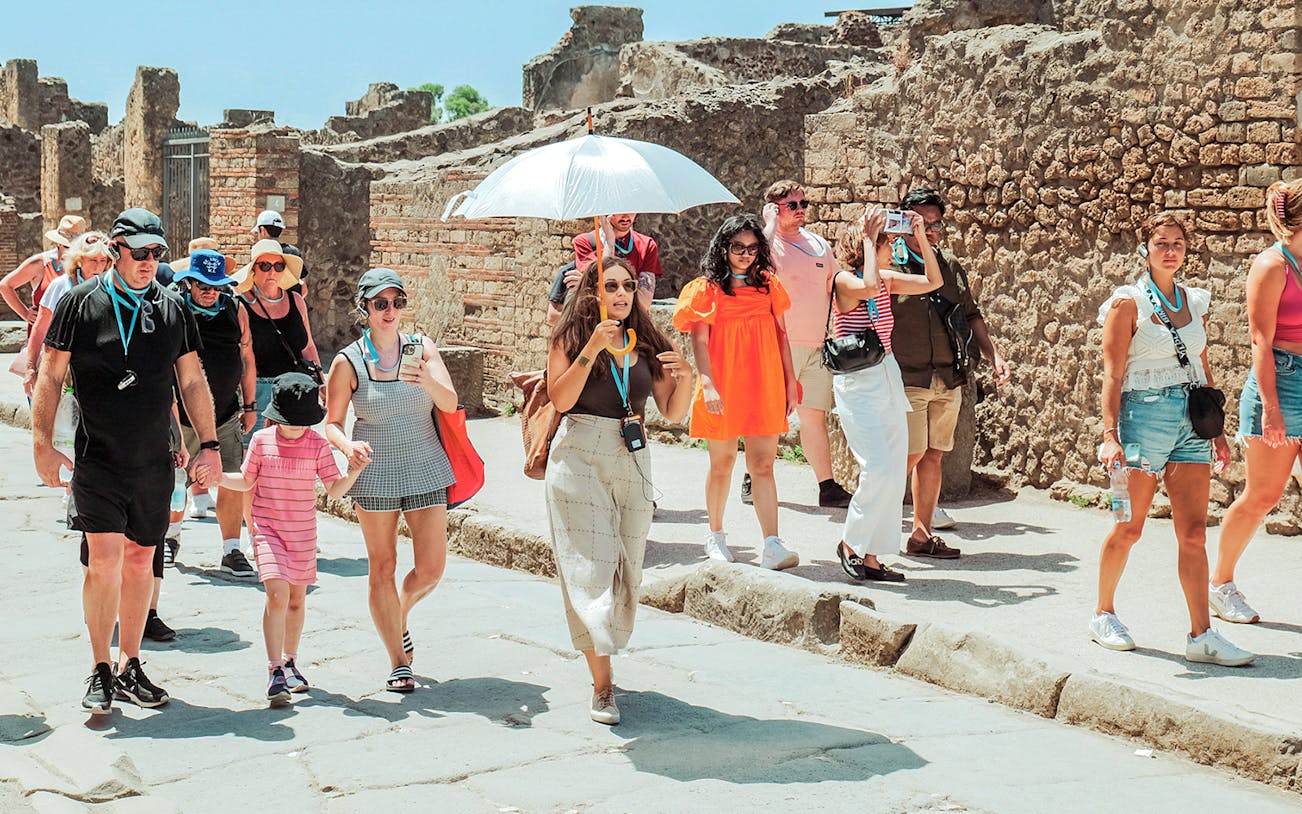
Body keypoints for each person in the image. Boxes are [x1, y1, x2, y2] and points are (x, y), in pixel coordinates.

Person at [31, 207, 222, 715]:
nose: (148, 262)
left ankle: (130, 663)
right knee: (104, 562)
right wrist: (42, 444)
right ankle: (99, 666)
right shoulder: (78, 303)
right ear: (116, 250)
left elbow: (192, 379)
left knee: (142, 561)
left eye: (156, 253)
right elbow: (50, 376)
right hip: (99, 458)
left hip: (155, 461)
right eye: (139, 253)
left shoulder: (172, 306)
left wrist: (209, 443)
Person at [1091, 212, 1252, 667]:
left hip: (1189, 423)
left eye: (1178, 242)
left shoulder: (1195, 301)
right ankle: (1103, 613)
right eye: (1161, 242)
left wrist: (1216, 431)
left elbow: (1202, 367)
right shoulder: (1128, 303)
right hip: (1140, 421)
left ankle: (1202, 634)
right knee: (1127, 524)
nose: (1170, 249)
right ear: (1145, 249)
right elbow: (1112, 373)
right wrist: (1110, 436)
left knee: (1195, 534)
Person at [546, 256, 690, 724]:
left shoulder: (647, 341)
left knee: (627, 567)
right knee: (589, 567)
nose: (623, 293)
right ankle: (602, 686)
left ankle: (607, 647)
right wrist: (592, 346)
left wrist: (687, 378)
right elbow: (561, 399)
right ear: (592, 293)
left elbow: (672, 411)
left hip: (632, 457)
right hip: (579, 453)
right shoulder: (569, 339)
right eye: (610, 286)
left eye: (628, 285)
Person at [324, 268, 458, 693]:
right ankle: (399, 661)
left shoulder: (422, 348)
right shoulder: (348, 361)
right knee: (382, 566)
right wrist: (347, 449)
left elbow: (451, 402)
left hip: (424, 464)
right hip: (374, 470)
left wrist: (428, 379)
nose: (390, 311)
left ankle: (397, 615)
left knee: (432, 569)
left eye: (397, 302)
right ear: (364, 308)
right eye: (380, 303)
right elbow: (331, 423)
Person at [206, 373, 366, 705]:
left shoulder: (318, 445)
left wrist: (354, 471)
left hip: (302, 533)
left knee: (296, 600)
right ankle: (274, 667)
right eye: (288, 422)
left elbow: (335, 489)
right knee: (277, 595)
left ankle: (291, 661)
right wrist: (219, 477)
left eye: (301, 423)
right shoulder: (263, 441)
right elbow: (247, 481)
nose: (294, 428)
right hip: (267, 530)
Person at [674, 213, 800, 570]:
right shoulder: (706, 288)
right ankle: (714, 535)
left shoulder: (769, 285)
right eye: (737, 247)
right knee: (722, 463)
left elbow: (782, 337)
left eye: (752, 247)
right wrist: (708, 383)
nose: (745, 254)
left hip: (765, 380)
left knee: (762, 464)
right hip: (724, 383)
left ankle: (772, 544)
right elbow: (700, 340)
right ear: (723, 248)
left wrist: (791, 383)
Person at [891, 187, 1011, 557]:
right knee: (905, 458)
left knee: (933, 454)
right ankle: (867, 537)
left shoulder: (950, 265)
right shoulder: (888, 265)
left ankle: (921, 536)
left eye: (935, 224)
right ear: (902, 225)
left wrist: (993, 354)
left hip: (948, 375)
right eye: (920, 223)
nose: (930, 230)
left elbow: (970, 314)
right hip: (906, 376)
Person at [831, 208, 943, 583]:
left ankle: (873, 555)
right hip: (858, 381)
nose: (893, 246)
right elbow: (865, 288)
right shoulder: (845, 281)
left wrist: (920, 235)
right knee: (877, 468)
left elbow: (931, 280)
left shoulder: (887, 281)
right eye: (888, 242)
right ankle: (850, 544)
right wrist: (866, 236)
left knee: (894, 469)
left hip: (887, 374)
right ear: (867, 246)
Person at [1209, 180, 1302, 623]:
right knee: (1262, 496)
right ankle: (1220, 584)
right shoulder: (1272, 266)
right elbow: (1260, 340)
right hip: (1279, 384)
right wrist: (1271, 409)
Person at [758, 181, 854, 509]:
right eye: (791, 205)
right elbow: (756, 264)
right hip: (777, 344)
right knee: (770, 419)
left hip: (815, 344)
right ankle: (753, 475)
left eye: (803, 204)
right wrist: (768, 225)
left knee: (814, 417)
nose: (800, 211)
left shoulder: (818, 245)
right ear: (773, 209)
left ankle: (827, 487)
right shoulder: (766, 243)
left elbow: (837, 287)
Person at [171, 250, 258, 575]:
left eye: (216, 286)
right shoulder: (175, 310)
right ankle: (170, 537)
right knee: (175, 480)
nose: (210, 291)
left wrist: (250, 406)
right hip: (181, 416)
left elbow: (247, 359)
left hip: (225, 413)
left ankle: (231, 549)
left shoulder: (236, 308)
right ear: (189, 282)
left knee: (233, 478)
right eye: (203, 285)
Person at [232, 239, 316, 577]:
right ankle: (257, 535)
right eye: (264, 266)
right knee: (256, 472)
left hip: (295, 393)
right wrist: (249, 403)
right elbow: (246, 356)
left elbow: (307, 344)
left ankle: (291, 533)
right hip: (261, 389)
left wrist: (318, 383)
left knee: (294, 469)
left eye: (278, 266)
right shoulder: (242, 304)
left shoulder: (296, 300)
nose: (271, 272)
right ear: (253, 270)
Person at [24, 231, 112, 397]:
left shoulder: (112, 288)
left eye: (103, 260)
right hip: (63, 373)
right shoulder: (61, 286)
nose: (99, 266)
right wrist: (30, 367)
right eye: (93, 260)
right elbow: (40, 328)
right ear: (79, 260)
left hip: (102, 374)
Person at [558, 214, 662, 316]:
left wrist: (589, 284)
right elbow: (601, 290)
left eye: (631, 210)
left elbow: (643, 303)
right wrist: (610, 243)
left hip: (633, 325)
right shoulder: (584, 242)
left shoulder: (647, 244)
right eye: (619, 210)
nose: (626, 216)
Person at [2, 214, 87, 329]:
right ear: (59, 242)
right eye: (67, 246)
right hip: (43, 336)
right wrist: (26, 314)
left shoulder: (87, 264)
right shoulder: (40, 263)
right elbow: (5, 285)